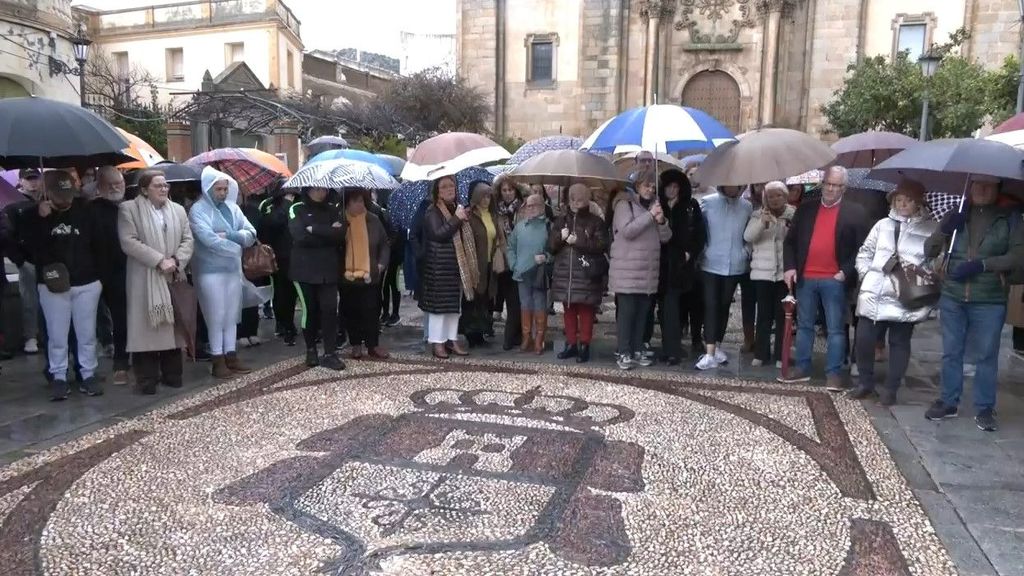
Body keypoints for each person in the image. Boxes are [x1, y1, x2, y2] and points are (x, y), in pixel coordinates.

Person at [923, 176, 1024, 431]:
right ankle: (948, 401)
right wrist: (945, 230)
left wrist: (983, 265)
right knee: (951, 351)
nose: (981, 189)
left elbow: (1018, 255)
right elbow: (929, 250)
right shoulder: (957, 212)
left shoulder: (1009, 217)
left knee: (986, 354)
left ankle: (985, 407)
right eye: (977, 183)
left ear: (998, 188)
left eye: (988, 185)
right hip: (953, 295)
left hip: (989, 297)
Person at [849, 179, 937, 406]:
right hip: (876, 292)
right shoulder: (882, 225)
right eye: (899, 200)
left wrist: (922, 274)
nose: (903, 204)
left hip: (905, 295)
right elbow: (865, 252)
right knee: (864, 340)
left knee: (899, 343)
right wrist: (867, 275)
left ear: (919, 203)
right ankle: (865, 383)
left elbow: (934, 262)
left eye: (908, 200)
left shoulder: (931, 229)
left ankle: (891, 389)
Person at [780, 166, 868, 389]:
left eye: (835, 185)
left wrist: (846, 271)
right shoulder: (806, 209)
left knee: (835, 328)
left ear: (844, 188)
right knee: (805, 326)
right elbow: (790, 242)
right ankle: (802, 368)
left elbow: (862, 248)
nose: (830, 189)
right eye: (827, 183)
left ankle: (834, 373)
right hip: (806, 277)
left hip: (835, 279)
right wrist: (790, 268)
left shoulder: (855, 212)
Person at [21, 172, 103, 400]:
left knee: (87, 332)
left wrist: (98, 275)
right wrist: (42, 220)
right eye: (60, 195)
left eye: (68, 193)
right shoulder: (32, 215)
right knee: (57, 334)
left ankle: (88, 373)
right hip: (53, 282)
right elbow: (30, 248)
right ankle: (58, 375)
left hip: (86, 279)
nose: (66, 199)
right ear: (47, 193)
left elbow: (98, 243)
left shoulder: (86, 210)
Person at [118, 170, 194, 395]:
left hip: (173, 274)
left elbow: (188, 239)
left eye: (165, 185)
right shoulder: (129, 209)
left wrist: (176, 260)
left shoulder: (178, 210)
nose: (163, 189)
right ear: (144, 189)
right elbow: (128, 241)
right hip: (144, 277)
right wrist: (159, 260)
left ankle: (173, 375)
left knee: (173, 325)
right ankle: (147, 380)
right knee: (146, 327)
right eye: (157, 185)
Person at [190, 166, 257, 379]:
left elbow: (251, 233)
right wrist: (237, 244)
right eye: (218, 189)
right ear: (208, 188)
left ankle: (231, 355)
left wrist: (229, 235)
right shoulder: (198, 210)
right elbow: (208, 239)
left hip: (232, 270)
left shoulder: (233, 208)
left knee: (231, 315)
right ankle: (217, 358)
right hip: (209, 271)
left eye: (225, 189)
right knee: (215, 315)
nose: (222, 193)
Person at [609, 169, 671, 370]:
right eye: (646, 186)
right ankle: (623, 351)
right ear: (637, 186)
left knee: (643, 314)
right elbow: (628, 231)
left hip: (647, 271)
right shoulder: (624, 204)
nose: (650, 190)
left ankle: (637, 348)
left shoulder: (655, 206)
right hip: (627, 269)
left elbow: (665, 238)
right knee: (627, 314)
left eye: (653, 187)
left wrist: (662, 221)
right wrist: (650, 216)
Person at [549, 183, 608, 363]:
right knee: (568, 309)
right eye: (572, 199)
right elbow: (551, 246)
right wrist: (560, 237)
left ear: (586, 200)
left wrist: (579, 241)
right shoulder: (561, 220)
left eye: (580, 199)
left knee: (586, 310)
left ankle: (585, 344)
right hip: (565, 272)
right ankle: (571, 343)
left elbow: (601, 245)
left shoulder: (595, 221)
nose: (575, 202)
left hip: (585, 273)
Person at [289, 187, 346, 370]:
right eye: (318, 188)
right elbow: (300, 236)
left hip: (328, 268)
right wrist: (328, 232)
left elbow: (340, 234)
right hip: (304, 268)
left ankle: (330, 352)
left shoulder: (333, 208)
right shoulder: (297, 208)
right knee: (310, 310)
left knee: (330, 309)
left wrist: (314, 229)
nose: (323, 191)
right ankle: (311, 349)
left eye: (325, 188)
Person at [696, 184, 752, 370]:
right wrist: (704, 250)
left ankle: (717, 344)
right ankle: (709, 350)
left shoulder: (746, 206)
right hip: (710, 263)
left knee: (724, 305)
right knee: (710, 305)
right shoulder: (708, 202)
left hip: (735, 265)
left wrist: (745, 252)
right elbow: (699, 229)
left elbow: (749, 235)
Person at [420, 176, 474, 358]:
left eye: (452, 186)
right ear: (437, 192)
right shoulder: (432, 211)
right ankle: (437, 342)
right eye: (444, 187)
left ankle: (451, 339)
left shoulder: (456, 208)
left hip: (455, 266)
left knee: (453, 307)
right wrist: (457, 219)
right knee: (439, 309)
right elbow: (438, 234)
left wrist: (464, 218)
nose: (450, 189)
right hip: (439, 267)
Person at [333, 188, 390, 359]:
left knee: (372, 310)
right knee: (351, 311)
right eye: (354, 201)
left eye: (361, 201)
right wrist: (339, 231)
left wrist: (381, 264)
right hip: (347, 276)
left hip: (370, 275)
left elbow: (384, 244)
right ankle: (356, 344)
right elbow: (334, 247)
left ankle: (373, 344)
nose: (359, 205)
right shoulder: (340, 220)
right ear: (347, 204)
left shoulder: (373, 220)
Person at [656, 169, 705, 365]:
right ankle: (669, 347)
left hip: (681, 265)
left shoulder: (690, 206)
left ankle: (673, 349)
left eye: (675, 187)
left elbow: (700, 234)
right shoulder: (658, 206)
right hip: (660, 263)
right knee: (664, 309)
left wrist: (690, 253)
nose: (671, 190)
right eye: (668, 186)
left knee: (675, 307)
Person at [744, 181, 795, 368]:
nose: (775, 199)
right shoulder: (757, 214)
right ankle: (761, 353)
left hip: (784, 274)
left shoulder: (793, 214)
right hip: (762, 273)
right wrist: (761, 224)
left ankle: (781, 355)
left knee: (782, 316)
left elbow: (796, 240)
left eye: (778, 195)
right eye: (771, 196)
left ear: (785, 197)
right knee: (764, 315)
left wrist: (786, 228)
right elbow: (748, 237)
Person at [89, 166, 131, 385]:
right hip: (94, 273)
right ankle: (87, 369)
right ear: (99, 186)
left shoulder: (131, 206)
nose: (115, 188)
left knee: (122, 319)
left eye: (119, 183)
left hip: (124, 271)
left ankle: (121, 361)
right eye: (110, 185)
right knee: (91, 322)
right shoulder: (90, 209)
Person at [3, 168, 44, 354]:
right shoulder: (12, 207)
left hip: (47, 259)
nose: (33, 182)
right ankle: (30, 336)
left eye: (35, 178)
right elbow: (8, 237)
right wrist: (19, 260)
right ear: (21, 181)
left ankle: (43, 334)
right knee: (30, 301)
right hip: (27, 260)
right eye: (29, 179)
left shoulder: (45, 201)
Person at [461, 182, 504, 347]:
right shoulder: (470, 216)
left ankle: (482, 331)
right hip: (475, 263)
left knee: (486, 299)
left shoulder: (492, 215)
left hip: (489, 264)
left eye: (489, 196)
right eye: (483, 196)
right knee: (473, 299)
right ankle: (471, 333)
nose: (486, 200)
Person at [508, 192, 551, 355]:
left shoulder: (548, 227)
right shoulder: (519, 227)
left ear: (542, 207)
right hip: (522, 273)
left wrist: (547, 257)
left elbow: (555, 250)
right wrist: (513, 264)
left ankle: (539, 339)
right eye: (528, 205)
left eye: (534, 205)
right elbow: (510, 247)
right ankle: (526, 338)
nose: (530, 208)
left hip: (539, 274)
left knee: (540, 305)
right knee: (525, 305)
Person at [259, 187, 299, 346]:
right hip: (284, 255)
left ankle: (284, 323)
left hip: (284, 255)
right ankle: (286, 325)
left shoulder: (297, 202)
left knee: (285, 292)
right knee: (286, 292)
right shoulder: (281, 207)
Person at [493, 175, 525, 350]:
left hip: (522, 259)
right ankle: (510, 337)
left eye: (510, 189)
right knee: (512, 300)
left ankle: (517, 335)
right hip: (505, 261)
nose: (507, 193)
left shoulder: (523, 207)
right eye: (504, 190)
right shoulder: (497, 210)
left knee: (520, 301)